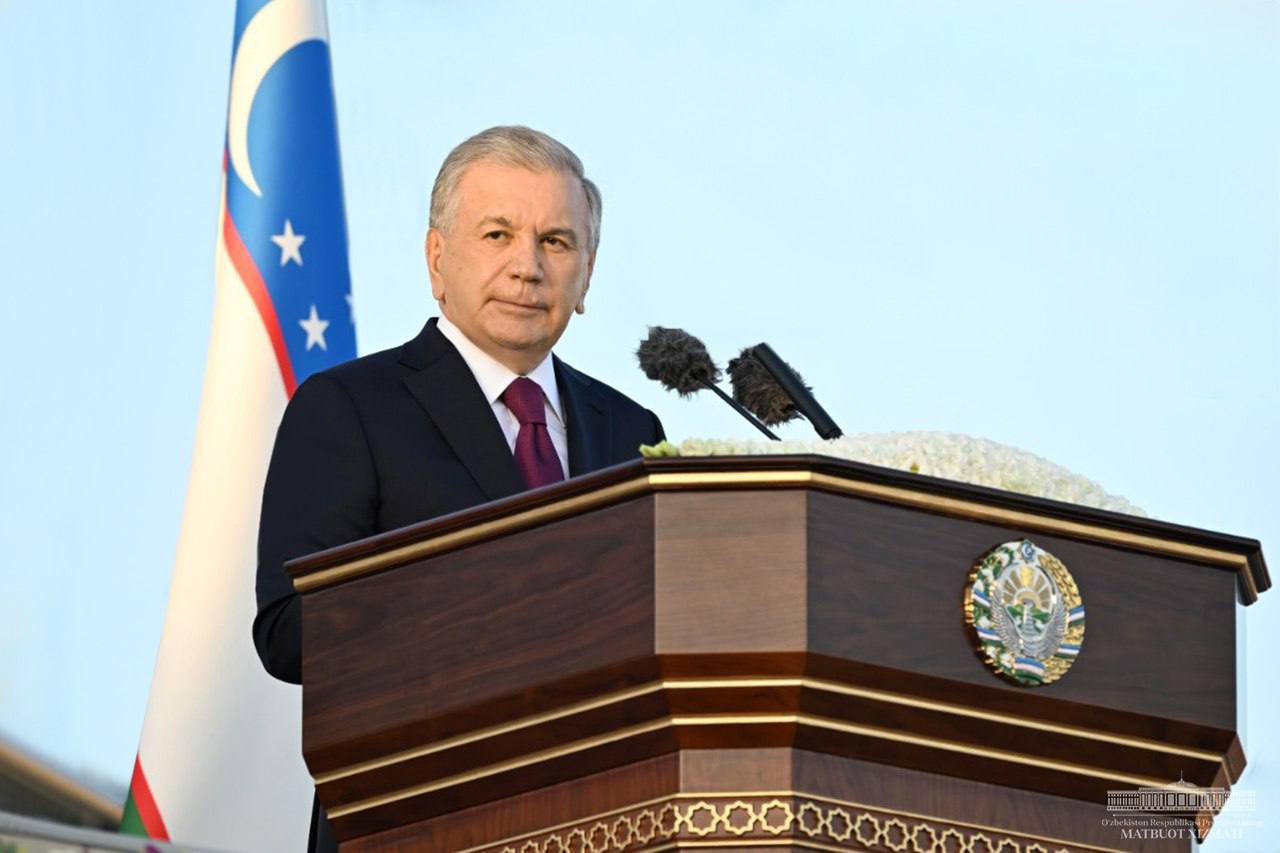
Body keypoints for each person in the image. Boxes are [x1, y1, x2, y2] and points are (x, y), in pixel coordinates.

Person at [251, 126, 666, 851]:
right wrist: (487, 596)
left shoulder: (633, 429)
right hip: (411, 819)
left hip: (603, 817)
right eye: (498, 234)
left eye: (556, 241)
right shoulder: (350, 407)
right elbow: (289, 632)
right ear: (438, 259)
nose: (527, 267)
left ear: (587, 274)